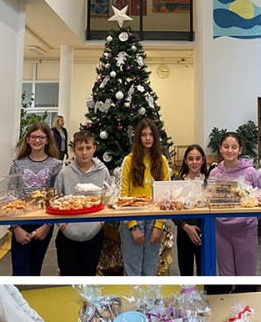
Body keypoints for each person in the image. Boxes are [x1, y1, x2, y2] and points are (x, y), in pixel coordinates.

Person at [54, 131, 110, 276]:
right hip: (67, 237)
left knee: (89, 276)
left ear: (94, 148)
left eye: (88, 148)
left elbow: (107, 199)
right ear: (74, 150)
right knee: (68, 279)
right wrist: (64, 227)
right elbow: (56, 201)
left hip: (94, 235)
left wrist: (100, 223)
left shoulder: (103, 172)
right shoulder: (64, 174)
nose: (84, 152)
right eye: (80, 149)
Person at [9, 122, 62, 276]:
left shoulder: (56, 165)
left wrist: (47, 226)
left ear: (47, 140)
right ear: (27, 139)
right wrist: (15, 227)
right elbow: (11, 197)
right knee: (19, 270)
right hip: (20, 222)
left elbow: (56, 198)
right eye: (33, 137)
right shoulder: (17, 165)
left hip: (43, 224)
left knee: (35, 269)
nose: (37, 140)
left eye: (41, 137)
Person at [120, 118, 171, 276]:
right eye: (144, 135)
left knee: (150, 270)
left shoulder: (161, 161)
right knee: (132, 269)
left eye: (151, 135)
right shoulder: (129, 160)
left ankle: (148, 301)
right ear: (138, 138)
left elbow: (166, 195)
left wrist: (159, 225)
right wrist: (133, 227)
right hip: (133, 218)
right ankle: (134, 301)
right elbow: (124, 195)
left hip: (154, 220)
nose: (148, 138)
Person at [208, 132, 261, 275]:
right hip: (221, 230)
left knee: (246, 274)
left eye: (234, 147)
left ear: (240, 150)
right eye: (226, 146)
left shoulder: (251, 173)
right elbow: (210, 199)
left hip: (245, 230)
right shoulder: (214, 173)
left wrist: (249, 220)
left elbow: (260, 199)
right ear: (220, 148)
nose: (230, 151)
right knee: (226, 275)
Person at [174, 144, 209, 276]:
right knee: (186, 273)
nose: (194, 162)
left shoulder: (208, 182)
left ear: (203, 160)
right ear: (185, 161)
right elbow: (172, 210)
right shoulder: (179, 183)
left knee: (204, 272)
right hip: (184, 232)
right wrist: (185, 226)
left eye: (198, 158)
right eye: (191, 159)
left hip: (204, 233)